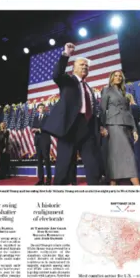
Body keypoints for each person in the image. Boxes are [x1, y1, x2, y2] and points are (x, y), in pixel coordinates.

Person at [43, 42, 102, 186]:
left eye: (86, 66)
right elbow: (57, 74)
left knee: (93, 164)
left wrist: (99, 127)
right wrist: (66, 55)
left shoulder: (88, 87)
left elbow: (93, 109)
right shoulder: (67, 81)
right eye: (81, 64)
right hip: (70, 127)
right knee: (64, 166)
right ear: (73, 67)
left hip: (87, 128)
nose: (85, 67)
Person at [100, 71, 140, 186]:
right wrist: (102, 126)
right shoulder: (106, 90)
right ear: (112, 78)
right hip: (114, 125)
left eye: (120, 76)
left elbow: (129, 112)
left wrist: (134, 129)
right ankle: (136, 182)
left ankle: (113, 184)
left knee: (117, 155)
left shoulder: (124, 93)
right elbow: (102, 110)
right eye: (115, 76)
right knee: (126, 155)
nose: (118, 78)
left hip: (126, 126)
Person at [32, 103, 52, 185]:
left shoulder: (48, 117)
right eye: (40, 107)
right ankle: (41, 180)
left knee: (46, 160)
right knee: (39, 161)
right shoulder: (35, 118)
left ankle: (48, 180)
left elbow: (48, 127)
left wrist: (39, 130)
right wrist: (34, 129)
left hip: (45, 140)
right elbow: (33, 126)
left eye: (43, 107)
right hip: (37, 141)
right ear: (38, 109)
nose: (42, 109)